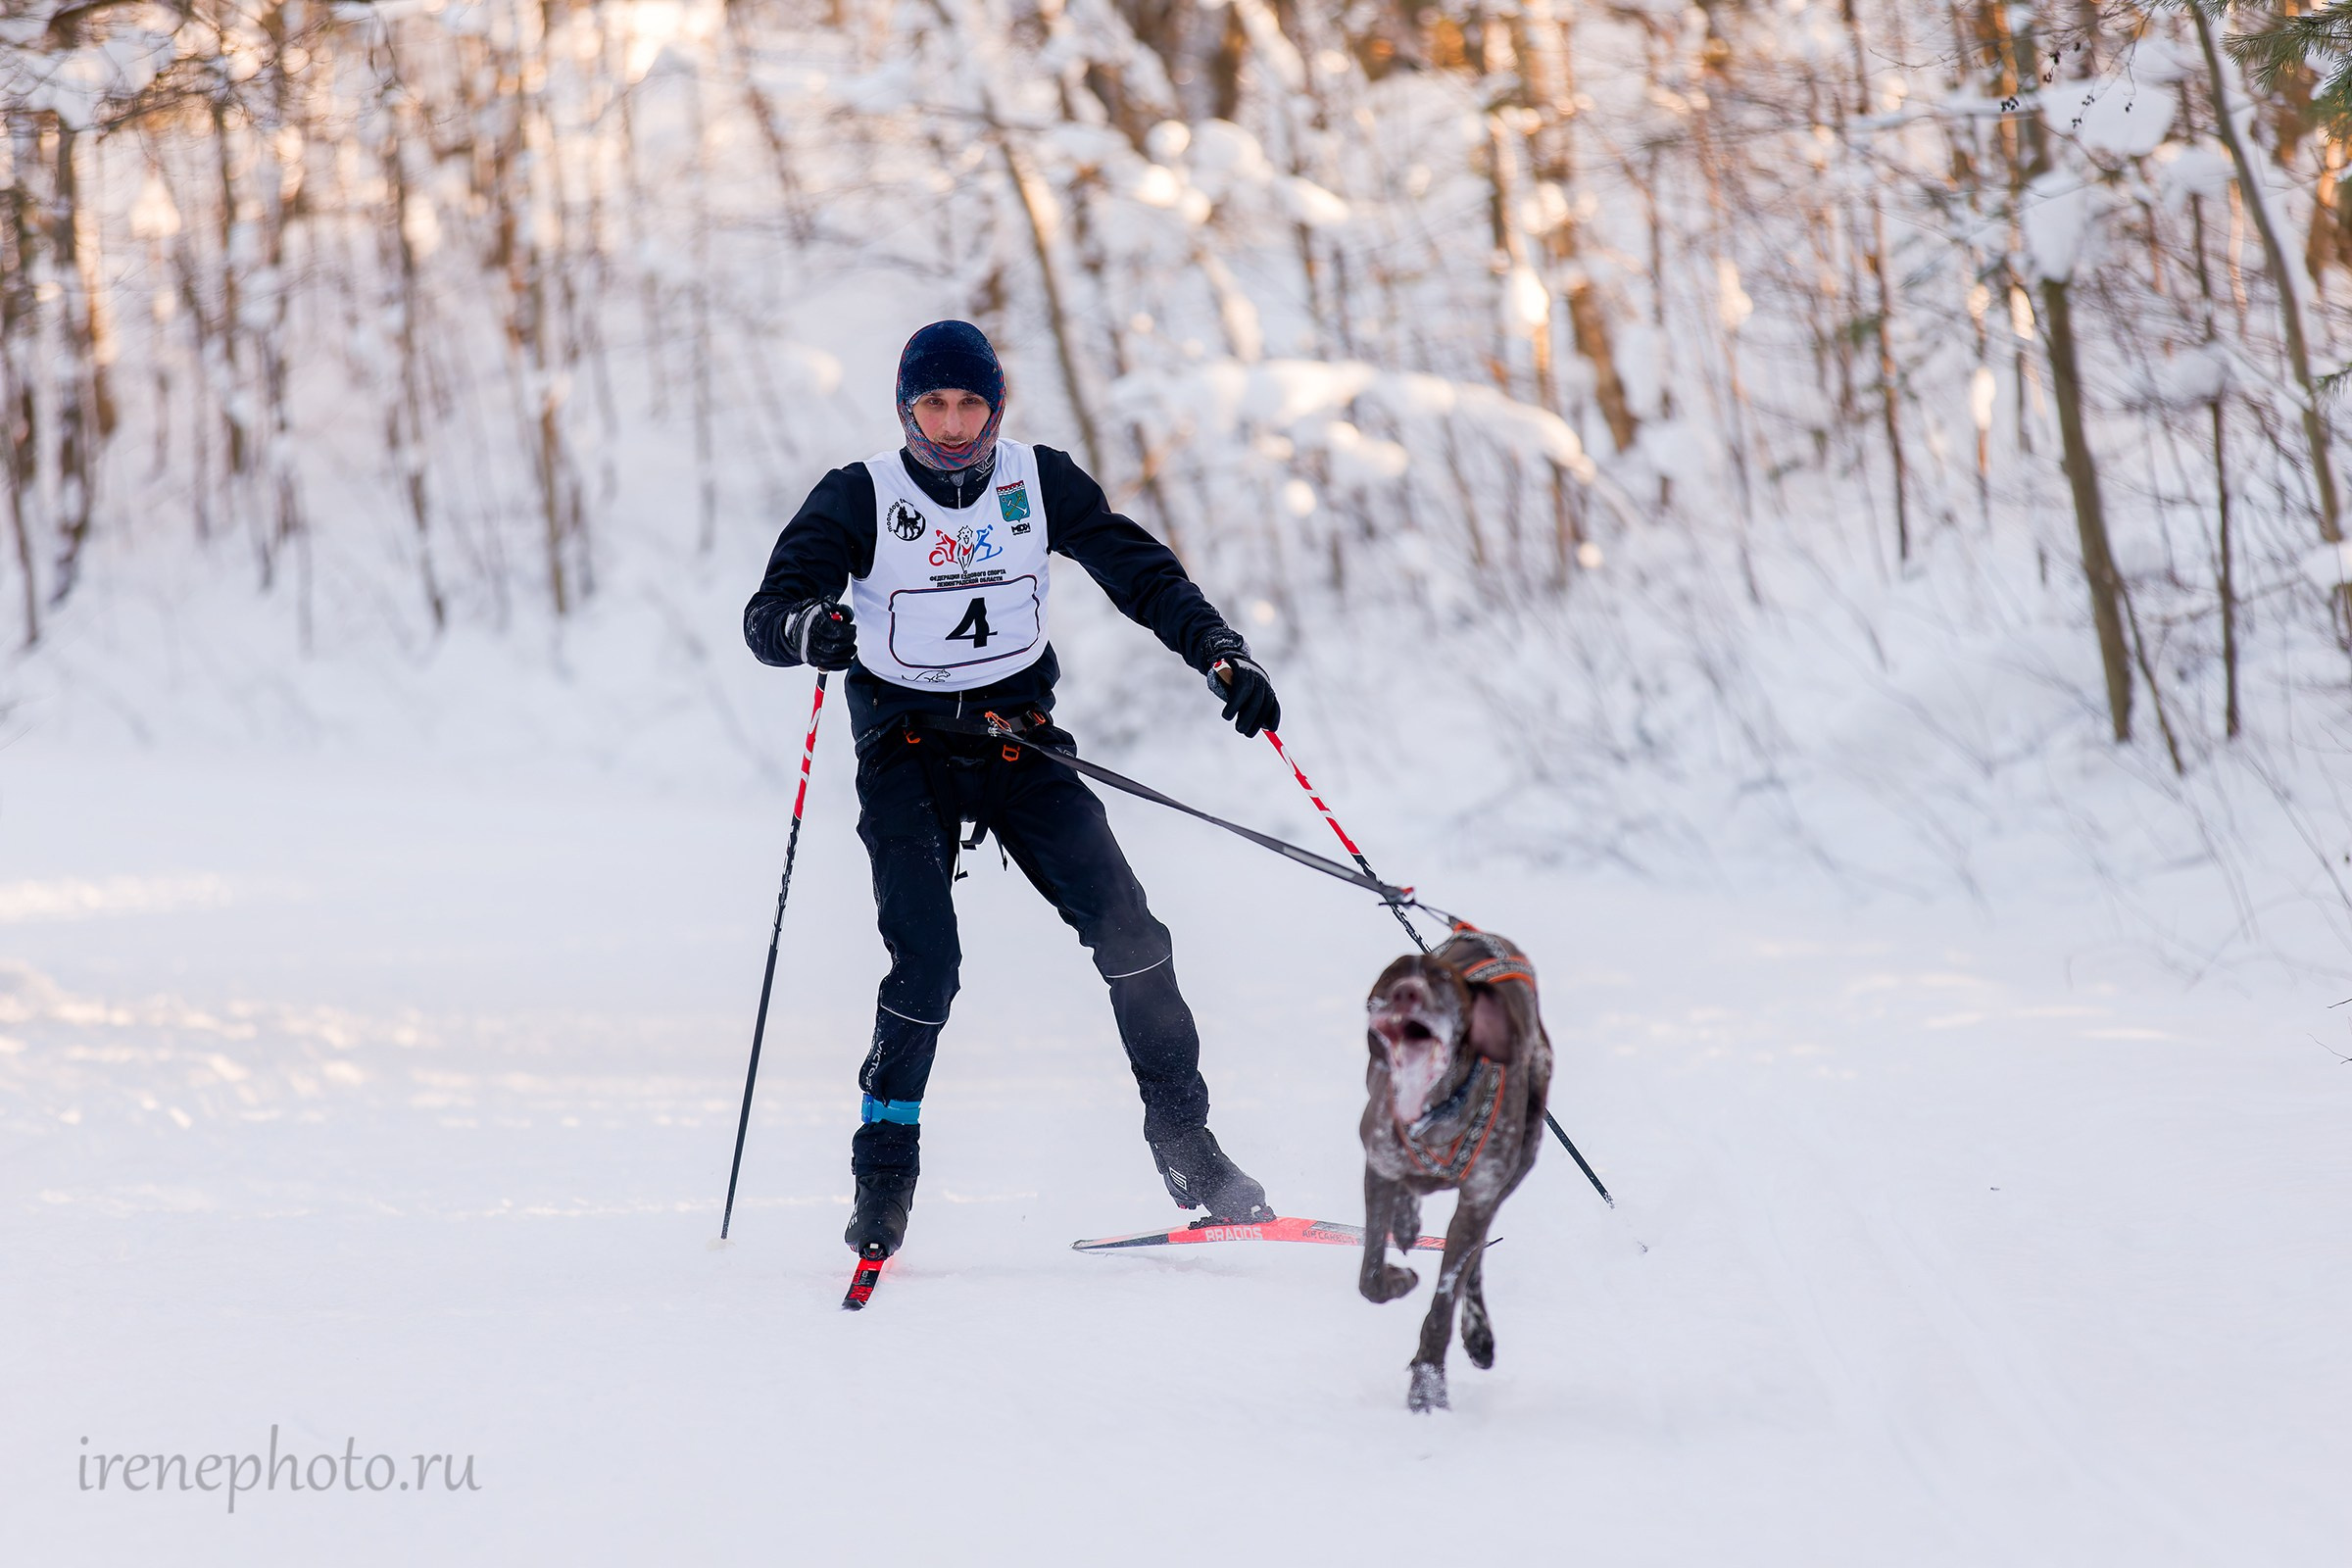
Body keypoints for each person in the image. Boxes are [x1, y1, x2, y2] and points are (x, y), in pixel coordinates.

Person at [744, 320, 1283, 1261]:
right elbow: (769, 610)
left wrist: (1217, 650)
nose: (952, 427)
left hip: (1019, 745)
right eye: (933, 406)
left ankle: (1188, 1144)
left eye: (970, 405)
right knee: (926, 967)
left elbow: (1139, 570)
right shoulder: (859, 496)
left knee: (1134, 935)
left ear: (997, 406)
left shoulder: (1039, 481)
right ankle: (885, 1178)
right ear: (905, 408)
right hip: (906, 752)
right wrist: (807, 631)